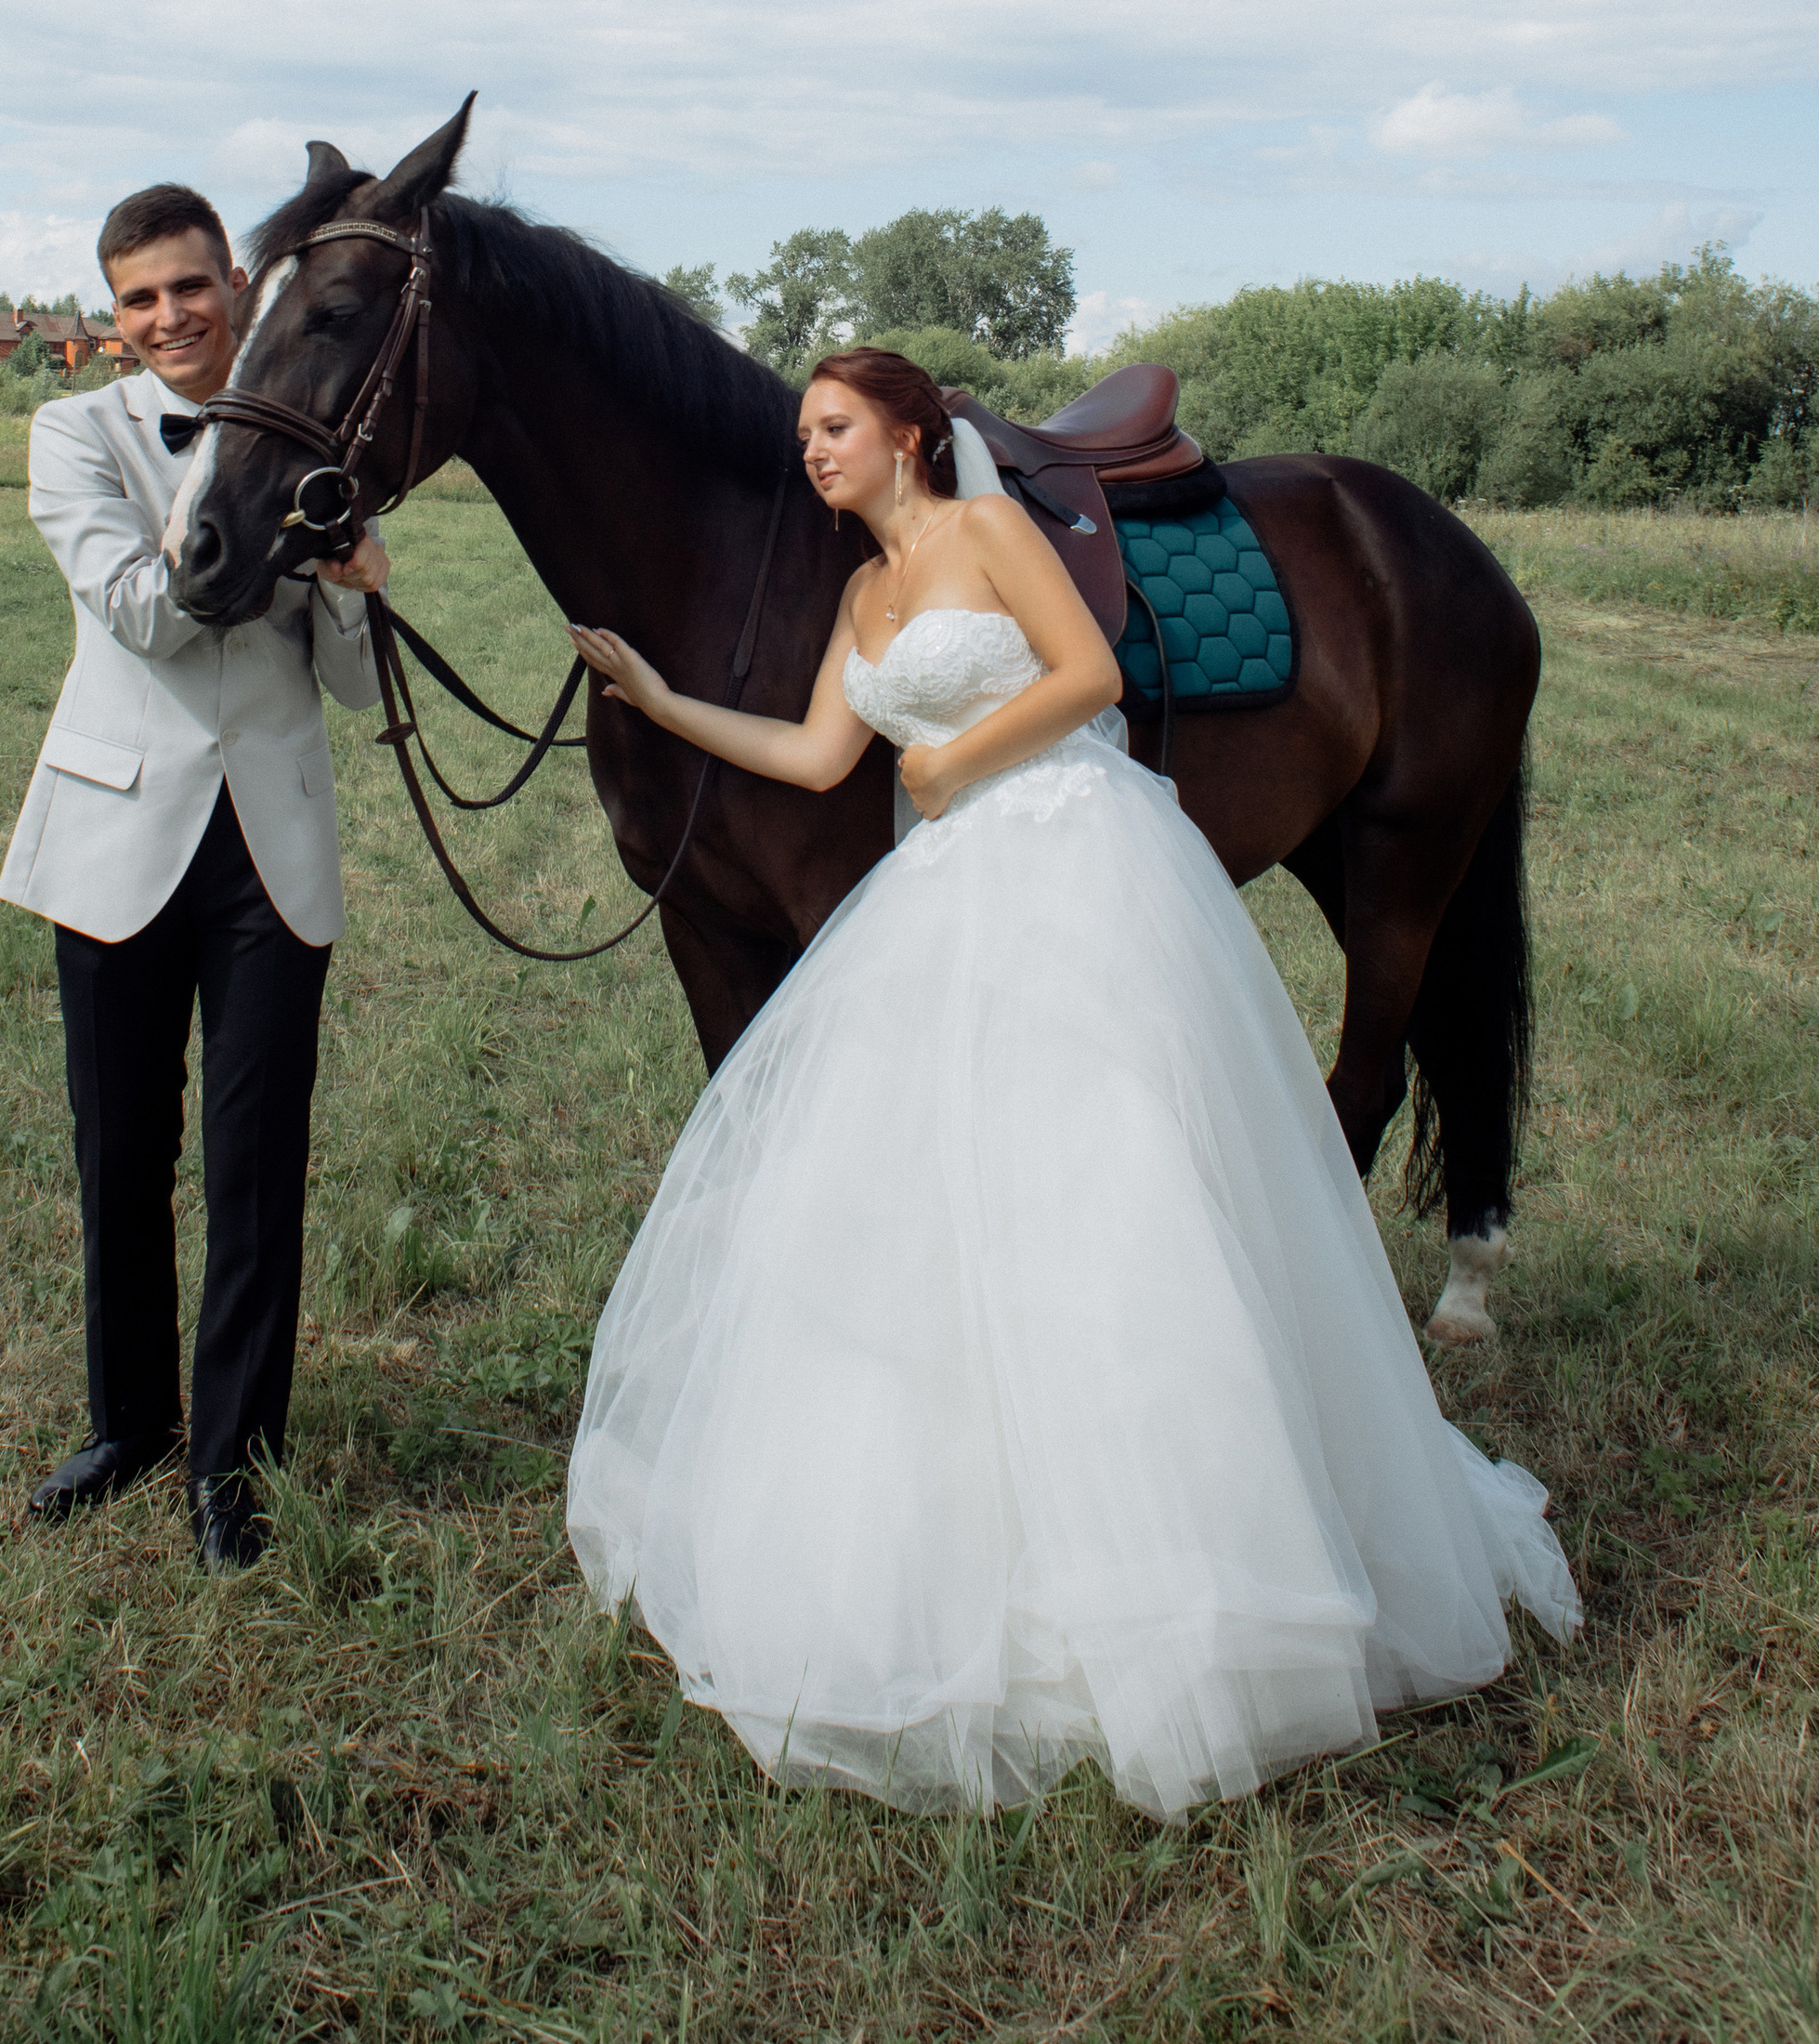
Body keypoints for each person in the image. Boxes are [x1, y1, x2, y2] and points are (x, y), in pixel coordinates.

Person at [563, 346, 1577, 1821]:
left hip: (1070, 851)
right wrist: (657, 700)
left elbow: (1089, 676)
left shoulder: (988, 534)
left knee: (1110, 1172)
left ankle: (1194, 1532)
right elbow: (809, 751)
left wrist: (956, 754)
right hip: (951, 885)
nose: (812, 453)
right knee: (950, 1187)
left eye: (834, 428)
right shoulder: (860, 598)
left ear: (911, 436)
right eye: (802, 435)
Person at [0, 181, 386, 1571]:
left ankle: (234, 1463)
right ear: (116, 320)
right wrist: (288, 536)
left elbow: (347, 680)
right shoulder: (73, 435)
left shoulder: (317, 431)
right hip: (115, 839)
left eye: (189, 286)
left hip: (270, 849)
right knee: (122, 1154)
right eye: (139, 299)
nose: (169, 316)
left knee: (256, 1163)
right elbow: (147, 613)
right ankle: (128, 1425)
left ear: (236, 281)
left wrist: (354, 580)